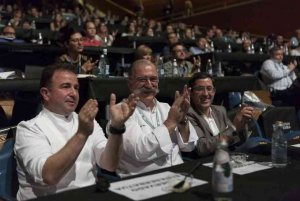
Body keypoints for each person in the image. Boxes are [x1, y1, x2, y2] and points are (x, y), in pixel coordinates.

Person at [14, 64, 139, 200]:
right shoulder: (29, 129)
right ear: (46, 93)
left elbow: (109, 165)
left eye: (76, 87)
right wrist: (82, 134)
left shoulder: (86, 120)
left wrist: (117, 128)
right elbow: (49, 176)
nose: (73, 93)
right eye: (66, 86)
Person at [116, 59, 198, 176]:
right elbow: (140, 151)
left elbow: (189, 146)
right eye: (142, 80)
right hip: (144, 181)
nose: (149, 85)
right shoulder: (121, 112)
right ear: (130, 83)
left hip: (179, 174)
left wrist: (182, 121)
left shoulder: (166, 107)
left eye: (153, 79)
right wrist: (171, 122)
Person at [187, 72, 254, 157]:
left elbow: (236, 139)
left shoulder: (220, 110)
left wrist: (242, 124)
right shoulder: (188, 114)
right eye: (200, 89)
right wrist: (234, 128)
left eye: (209, 88)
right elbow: (202, 148)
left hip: (229, 157)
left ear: (214, 92)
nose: (205, 94)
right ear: (191, 93)